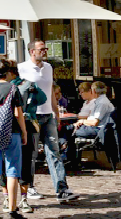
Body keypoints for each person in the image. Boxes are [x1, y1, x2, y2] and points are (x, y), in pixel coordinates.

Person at [18, 40, 77, 204]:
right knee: (31, 154)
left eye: (46, 48)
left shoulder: (49, 67)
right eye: (41, 49)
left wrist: (55, 112)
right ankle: (29, 187)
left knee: (54, 152)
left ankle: (62, 189)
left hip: (48, 116)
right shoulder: (21, 68)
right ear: (32, 51)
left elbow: (50, 90)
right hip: (31, 117)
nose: (45, 51)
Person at [0, 58, 28, 219]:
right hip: (11, 131)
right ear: (8, 72)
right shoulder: (13, 88)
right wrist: (24, 132)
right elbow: (18, 113)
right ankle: (12, 210)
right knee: (12, 171)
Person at [13, 62, 48, 215]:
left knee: (15, 163)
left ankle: (11, 198)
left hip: (16, 126)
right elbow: (42, 99)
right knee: (27, 162)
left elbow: (42, 99)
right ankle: (23, 196)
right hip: (26, 125)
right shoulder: (23, 86)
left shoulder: (11, 86)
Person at [68, 82, 115, 166]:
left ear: (93, 91)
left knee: (69, 131)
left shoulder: (102, 103)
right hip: (97, 128)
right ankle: (71, 159)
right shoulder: (100, 101)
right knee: (69, 129)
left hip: (99, 131)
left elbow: (95, 122)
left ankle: (71, 160)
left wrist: (82, 122)